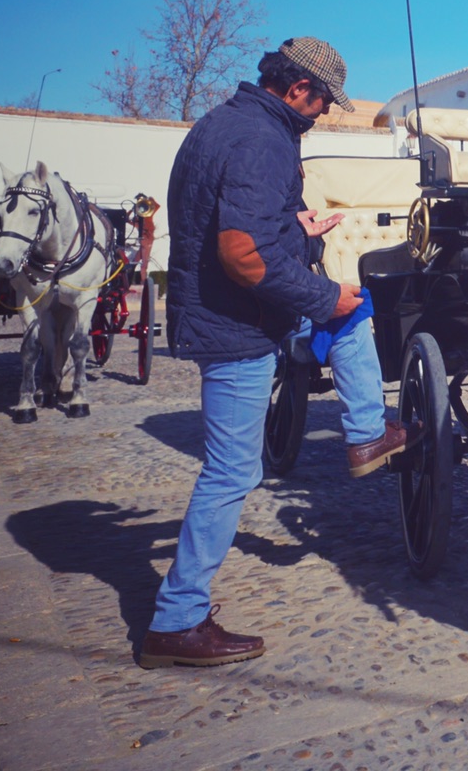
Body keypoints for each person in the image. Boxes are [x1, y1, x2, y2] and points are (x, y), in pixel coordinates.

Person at [140, 38, 411, 669]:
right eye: (321, 103)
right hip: (235, 326)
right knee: (232, 471)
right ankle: (175, 621)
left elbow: (235, 229)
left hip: (232, 315)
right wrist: (322, 295)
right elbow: (240, 256)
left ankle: (367, 432)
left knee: (351, 316)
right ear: (298, 90)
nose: (321, 114)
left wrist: (297, 229)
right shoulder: (262, 141)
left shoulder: (225, 123)